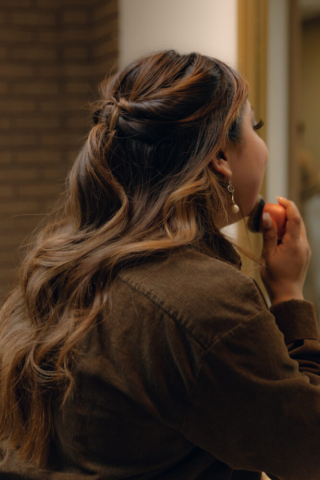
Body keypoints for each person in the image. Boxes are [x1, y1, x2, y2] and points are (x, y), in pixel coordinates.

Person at [0, 50, 318, 480]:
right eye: (255, 128)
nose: (264, 146)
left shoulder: (56, 271)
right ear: (221, 157)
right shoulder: (206, 300)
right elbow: (307, 453)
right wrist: (289, 295)